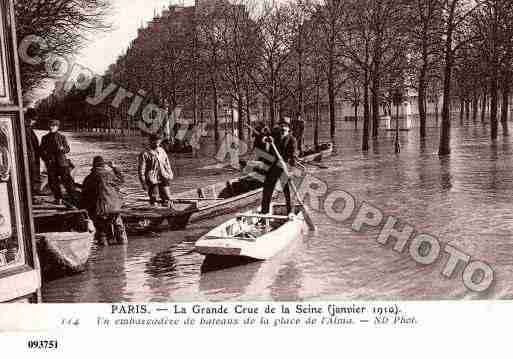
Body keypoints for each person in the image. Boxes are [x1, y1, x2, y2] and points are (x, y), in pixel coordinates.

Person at [80, 156, 127, 246]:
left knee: (101, 232)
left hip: (98, 210)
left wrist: (85, 211)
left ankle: (104, 252)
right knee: (119, 227)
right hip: (114, 208)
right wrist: (114, 167)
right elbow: (122, 180)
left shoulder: (88, 178)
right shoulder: (109, 175)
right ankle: (123, 249)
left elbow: (84, 197)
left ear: (93, 166)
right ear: (103, 165)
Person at [261, 117, 297, 215]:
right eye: (281, 126)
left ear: (289, 128)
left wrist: (288, 166)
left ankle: (290, 211)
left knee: (287, 191)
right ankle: (264, 212)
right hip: (273, 168)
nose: (283, 128)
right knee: (267, 189)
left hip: (284, 168)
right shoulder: (274, 136)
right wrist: (266, 140)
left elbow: (293, 156)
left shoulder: (292, 140)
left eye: (285, 126)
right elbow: (264, 139)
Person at [40, 119, 75, 204]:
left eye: (53, 126)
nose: (51, 127)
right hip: (51, 163)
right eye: (50, 125)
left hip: (62, 163)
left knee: (67, 181)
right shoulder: (45, 138)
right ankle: (58, 198)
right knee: (53, 182)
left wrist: (63, 149)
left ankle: (73, 198)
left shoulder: (62, 137)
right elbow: (41, 151)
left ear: (57, 127)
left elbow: (68, 149)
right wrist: (46, 159)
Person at [138, 133, 174, 207]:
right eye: (155, 142)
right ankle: (155, 211)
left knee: (167, 197)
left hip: (163, 176)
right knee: (154, 198)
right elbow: (141, 170)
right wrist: (143, 183)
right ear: (150, 141)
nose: (157, 144)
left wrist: (170, 174)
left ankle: (168, 211)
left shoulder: (162, 151)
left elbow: (167, 164)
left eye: (159, 142)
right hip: (152, 178)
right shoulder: (145, 153)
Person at [25, 112, 42, 196]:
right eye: (33, 120)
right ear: (28, 119)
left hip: (33, 156)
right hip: (30, 157)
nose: (34, 122)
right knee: (31, 175)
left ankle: (33, 193)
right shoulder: (26, 129)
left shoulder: (29, 129)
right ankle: (32, 195)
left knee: (33, 174)